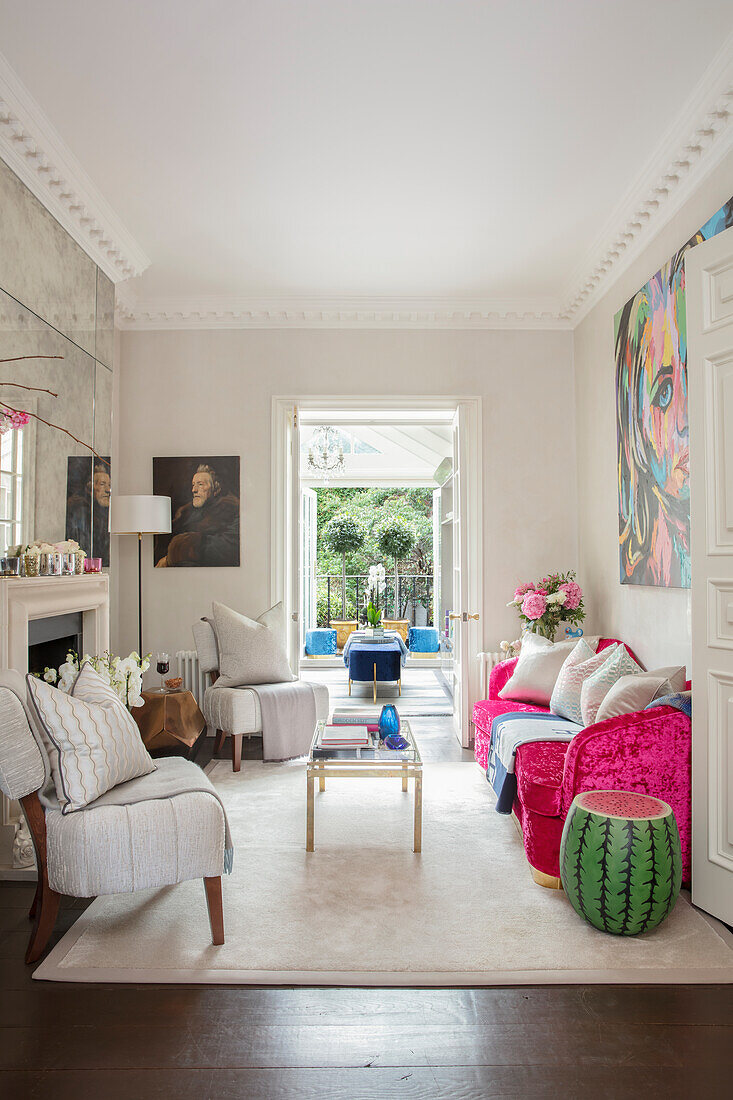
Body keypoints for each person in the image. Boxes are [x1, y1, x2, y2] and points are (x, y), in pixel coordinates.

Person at [156, 463, 239, 567]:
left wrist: (179, 547)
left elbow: (230, 548)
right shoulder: (186, 513)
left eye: (200, 484)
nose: (194, 490)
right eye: (193, 484)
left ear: (216, 489)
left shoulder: (232, 511)